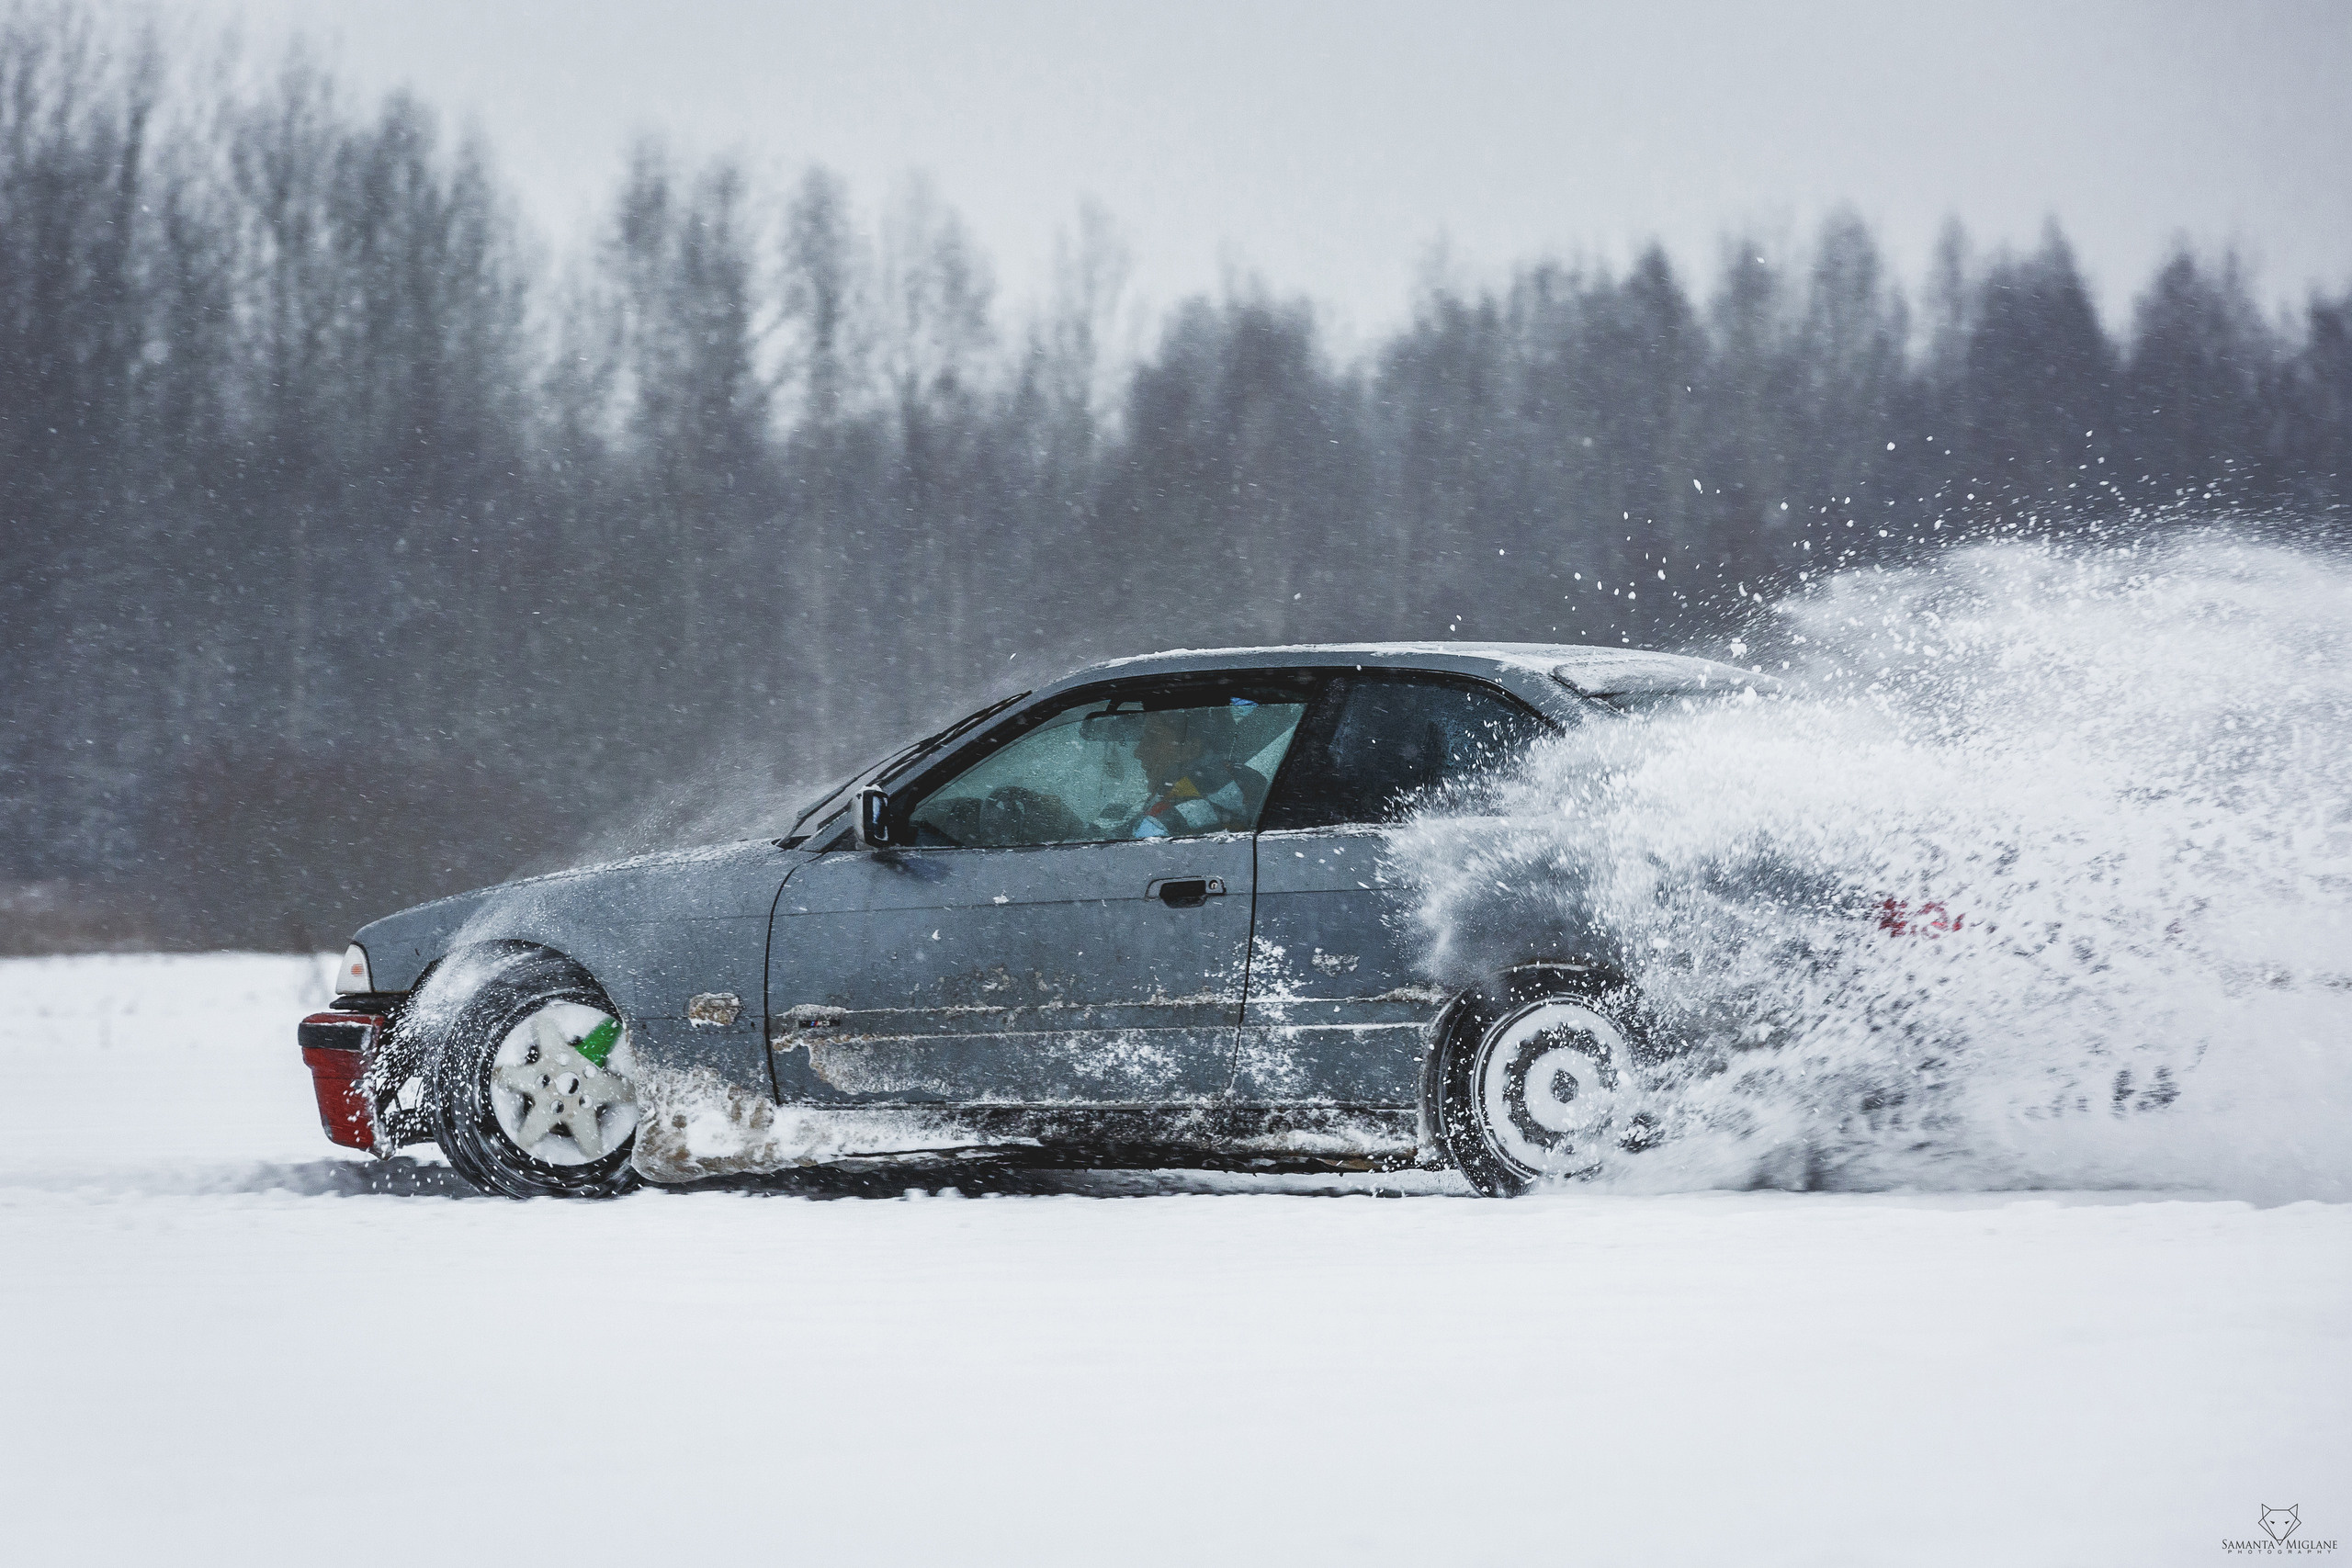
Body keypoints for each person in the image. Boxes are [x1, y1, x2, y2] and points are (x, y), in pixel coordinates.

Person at [1128, 707, 1264, 838]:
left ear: (1192, 748)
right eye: (1142, 740)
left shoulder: (1166, 822)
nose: (1138, 752)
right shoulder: (1241, 783)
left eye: (1153, 738)